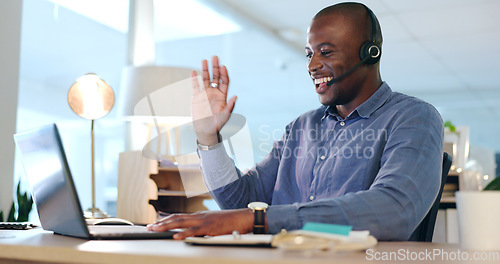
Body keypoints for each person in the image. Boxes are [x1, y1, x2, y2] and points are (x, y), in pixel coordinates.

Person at [148, 2, 444, 241]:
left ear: (370, 53)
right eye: (309, 54)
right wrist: (208, 138)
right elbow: (241, 203)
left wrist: (262, 220)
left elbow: (393, 211)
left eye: (326, 52)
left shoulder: (413, 117)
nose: (312, 65)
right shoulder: (301, 127)